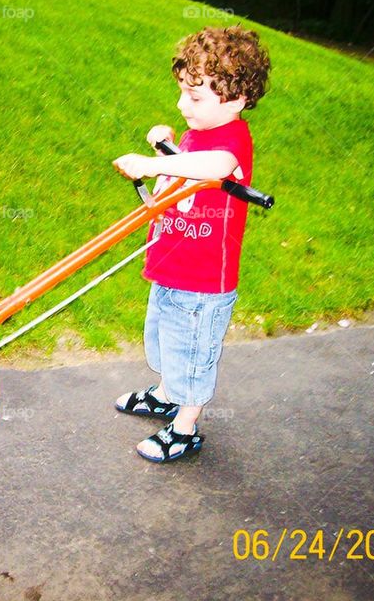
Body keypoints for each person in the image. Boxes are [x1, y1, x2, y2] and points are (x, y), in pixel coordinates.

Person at [112, 25, 271, 463]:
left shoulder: (232, 141)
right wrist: (166, 148)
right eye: (182, 92)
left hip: (202, 283)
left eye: (195, 97)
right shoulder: (197, 134)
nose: (184, 105)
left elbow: (215, 166)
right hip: (170, 264)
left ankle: (184, 427)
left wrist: (150, 161)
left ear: (237, 100)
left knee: (194, 354)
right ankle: (166, 393)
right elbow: (184, 171)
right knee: (165, 341)